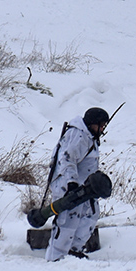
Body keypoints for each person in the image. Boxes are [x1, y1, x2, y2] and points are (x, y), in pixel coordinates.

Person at [45, 107, 109, 261]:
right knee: (68, 221)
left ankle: (74, 250)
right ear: (92, 123)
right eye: (100, 125)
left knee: (90, 216)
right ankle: (57, 256)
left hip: (85, 187)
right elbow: (67, 159)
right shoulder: (78, 135)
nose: (102, 129)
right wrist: (71, 183)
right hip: (68, 185)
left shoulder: (89, 137)